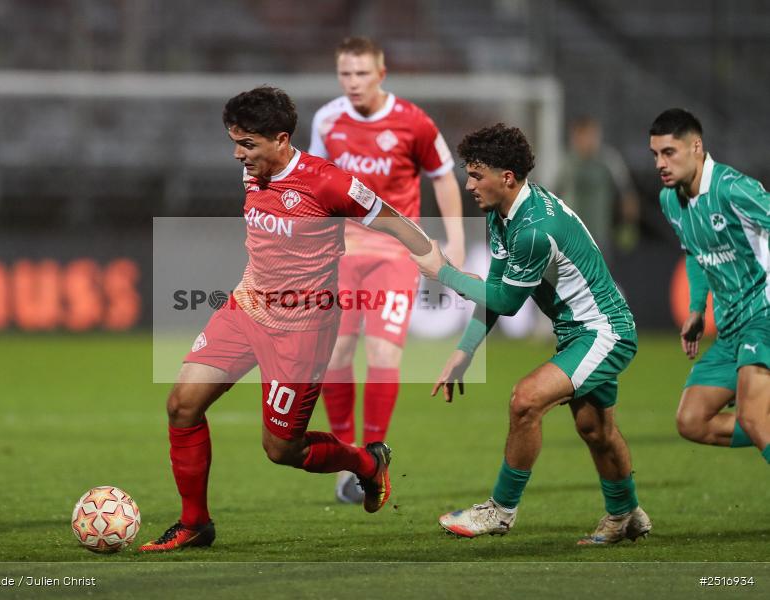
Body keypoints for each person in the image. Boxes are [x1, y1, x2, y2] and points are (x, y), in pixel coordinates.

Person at [140, 86, 433, 552]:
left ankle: (366, 463)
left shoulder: (328, 182)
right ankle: (194, 522)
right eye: (234, 142)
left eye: (248, 144)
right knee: (182, 405)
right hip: (246, 307)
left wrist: (439, 265)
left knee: (281, 450)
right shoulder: (254, 171)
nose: (238, 154)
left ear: (281, 139)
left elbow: (392, 219)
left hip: (302, 332)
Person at [411, 123, 651, 545]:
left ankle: (500, 511)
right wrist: (463, 352)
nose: (468, 184)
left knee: (526, 400)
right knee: (596, 429)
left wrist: (443, 272)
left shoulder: (535, 228)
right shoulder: (504, 214)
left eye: (475, 174)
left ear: (506, 178)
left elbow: (506, 303)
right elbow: (496, 289)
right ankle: (625, 516)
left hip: (603, 332)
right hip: (579, 333)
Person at [309, 36, 465, 503]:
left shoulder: (413, 122)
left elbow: (442, 175)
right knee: (336, 355)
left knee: (382, 352)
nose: (353, 83)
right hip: (341, 251)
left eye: (361, 73)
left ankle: (373, 456)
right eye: (345, 74)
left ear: (381, 74)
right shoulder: (327, 119)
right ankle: (345, 458)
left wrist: (454, 239)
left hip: (396, 253)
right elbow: (316, 176)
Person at [649, 108, 770, 462]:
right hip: (731, 327)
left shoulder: (733, 189)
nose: (660, 163)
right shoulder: (669, 199)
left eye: (669, 152)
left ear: (696, 147)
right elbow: (694, 252)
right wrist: (697, 309)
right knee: (692, 420)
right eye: (655, 154)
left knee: (753, 416)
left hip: (763, 316)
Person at [553, 117, 641, 264]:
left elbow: (627, 194)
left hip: (598, 237)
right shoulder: (565, 163)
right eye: (583, 136)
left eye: (592, 135)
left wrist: (628, 219)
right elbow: (551, 195)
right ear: (575, 137)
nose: (588, 140)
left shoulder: (609, 160)